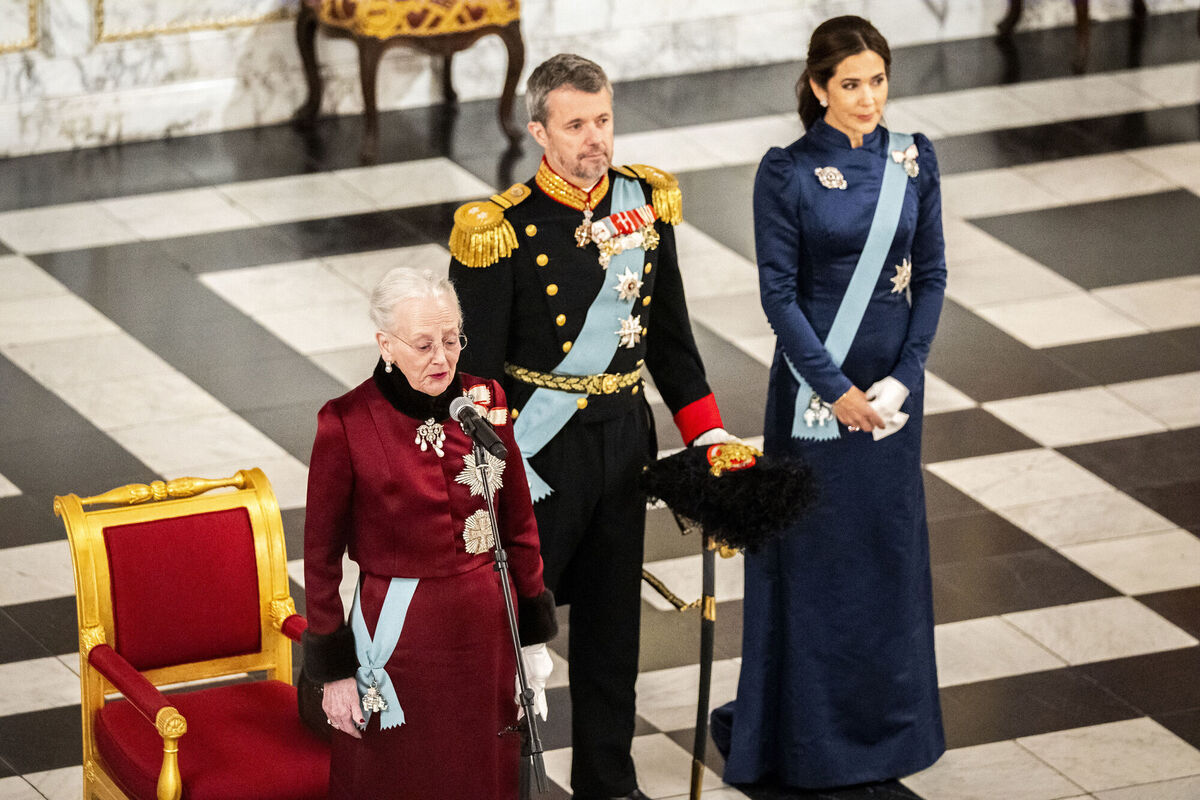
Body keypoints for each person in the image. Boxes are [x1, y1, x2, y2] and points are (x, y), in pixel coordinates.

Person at [447, 54, 734, 800]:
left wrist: (707, 435)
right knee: (519, 630)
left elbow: (670, 339)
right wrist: (492, 467)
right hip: (538, 454)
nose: (594, 139)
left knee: (613, 633)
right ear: (539, 131)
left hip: (622, 441)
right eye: (575, 125)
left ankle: (611, 782)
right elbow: (472, 375)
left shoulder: (644, 205)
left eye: (602, 120)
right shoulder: (502, 229)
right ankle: (511, 781)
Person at [711, 15, 947, 790]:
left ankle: (889, 736)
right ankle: (810, 738)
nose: (868, 98)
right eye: (850, 84)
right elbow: (778, 296)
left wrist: (906, 375)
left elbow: (935, 274)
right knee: (817, 562)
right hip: (817, 403)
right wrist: (836, 390)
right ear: (817, 88)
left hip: (891, 403)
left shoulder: (916, 159)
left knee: (887, 557)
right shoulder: (787, 172)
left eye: (877, 80)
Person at [301, 267, 558, 799]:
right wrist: (335, 671)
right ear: (386, 345)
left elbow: (518, 525)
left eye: (451, 340)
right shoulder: (346, 421)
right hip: (401, 642)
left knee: (483, 776)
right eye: (422, 345)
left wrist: (530, 640)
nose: (441, 358)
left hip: (487, 635)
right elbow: (320, 558)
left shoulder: (486, 402)